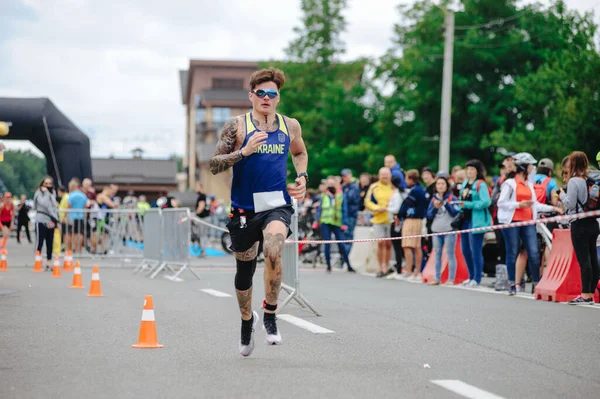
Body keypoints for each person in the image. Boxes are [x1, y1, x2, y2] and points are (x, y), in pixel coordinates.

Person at [209, 67, 308, 357]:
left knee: (274, 249)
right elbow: (214, 164)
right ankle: (246, 321)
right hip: (243, 210)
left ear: (278, 98)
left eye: (272, 94)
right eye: (261, 93)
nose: (266, 97)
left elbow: (299, 153)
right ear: (251, 96)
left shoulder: (290, 126)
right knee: (245, 272)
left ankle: (270, 314)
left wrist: (302, 177)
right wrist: (243, 152)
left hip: (276, 205)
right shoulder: (236, 127)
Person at [497, 153, 562, 295]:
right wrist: (519, 204)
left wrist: (553, 208)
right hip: (512, 222)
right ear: (523, 167)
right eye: (531, 166)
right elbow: (501, 203)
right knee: (512, 252)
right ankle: (512, 284)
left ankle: (536, 284)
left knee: (534, 253)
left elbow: (535, 205)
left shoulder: (529, 184)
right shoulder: (510, 184)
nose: (533, 168)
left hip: (528, 222)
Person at [560, 151, 600, 304]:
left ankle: (585, 294)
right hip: (593, 223)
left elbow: (570, 203)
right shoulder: (591, 180)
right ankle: (590, 293)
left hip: (579, 223)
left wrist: (562, 195)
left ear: (573, 164)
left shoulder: (574, 181)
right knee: (592, 259)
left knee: (584, 260)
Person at [458, 160, 492, 287]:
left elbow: (486, 201)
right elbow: (462, 198)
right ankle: (470, 275)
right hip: (464, 219)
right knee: (465, 250)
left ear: (477, 171)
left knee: (475, 250)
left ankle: (477, 278)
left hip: (476, 220)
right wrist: (460, 205)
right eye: (468, 169)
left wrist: (469, 205)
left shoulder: (480, 184)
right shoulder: (465, 183)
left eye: (472, 169)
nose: (470, 172)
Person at [313, 176, 355, 273]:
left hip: (337, 222)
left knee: (341, 244)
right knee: (327, 243)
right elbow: (320, 209)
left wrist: (345, 223)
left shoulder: (340, 195)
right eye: (329, 184)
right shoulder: (324, 195)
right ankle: (328, 265)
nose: (331, 186)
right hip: (325, 221)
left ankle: (348, 264)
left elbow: (344, 210)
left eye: (333, 184)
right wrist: (316, 221)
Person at [426, 176, 461, 285]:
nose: (440, 186)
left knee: (450, 254)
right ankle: (437, 278)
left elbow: (455, 213)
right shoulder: (433, 199)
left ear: (446, 186)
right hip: (436, 230)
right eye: (438, 184)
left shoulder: (452, 198)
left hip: (449, 230)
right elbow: (428, 215)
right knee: (437, 255)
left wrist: (445, 203)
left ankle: (451, 279)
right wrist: (435, 208)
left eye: (443, 184)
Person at [364, 167, 394, 277]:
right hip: (378, 219)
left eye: (386, 175)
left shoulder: (393, 187)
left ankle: (387, 265)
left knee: (388, 244)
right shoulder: (374, 187)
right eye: (382, 175)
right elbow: (367, 201)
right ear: (379, 175)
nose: (385, 177)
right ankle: (381, 267)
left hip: (390, 219)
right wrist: (377, 208)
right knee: (380, 243)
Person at [398, 170, 427, 279]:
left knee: (408, 245)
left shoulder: (415, 191)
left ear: (411, 179)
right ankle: (416, 271)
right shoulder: (418, 189)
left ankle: (410, 271)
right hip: (418, 220)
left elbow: (405, 205)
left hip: (412, 220)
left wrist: (400, 214)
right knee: (416, 245)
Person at [33, 176, 59, 270]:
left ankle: (49, 262)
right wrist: (46, 193)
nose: (48, 186)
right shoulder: (39, 193)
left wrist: (56, 220)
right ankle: (37, 260)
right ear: (42, 184)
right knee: (40, 241)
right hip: (41, 219)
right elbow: (44, 203)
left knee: (50, 242)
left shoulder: (53, 193)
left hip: (50, 220)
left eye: (50, 184)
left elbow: (54, 208)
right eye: (46, 183)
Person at [340, 168, 361, 254]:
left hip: (351, 215)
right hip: (344, 215)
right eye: (343, 176)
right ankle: (344, 258)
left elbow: (348, 199)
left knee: (348, 236)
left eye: (346, 176)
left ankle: (346, 259)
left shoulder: (354, 187)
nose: (344, 178)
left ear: (350, 175)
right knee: (343, 237)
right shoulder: (345, 187)